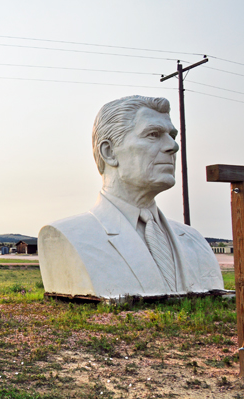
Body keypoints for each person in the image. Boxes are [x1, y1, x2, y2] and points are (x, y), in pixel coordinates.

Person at [38, 95, 224, 299]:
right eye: (153, 134)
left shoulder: (194, 240)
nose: (173, 146)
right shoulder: (66, 235)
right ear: (109, 152)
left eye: (172, 135)